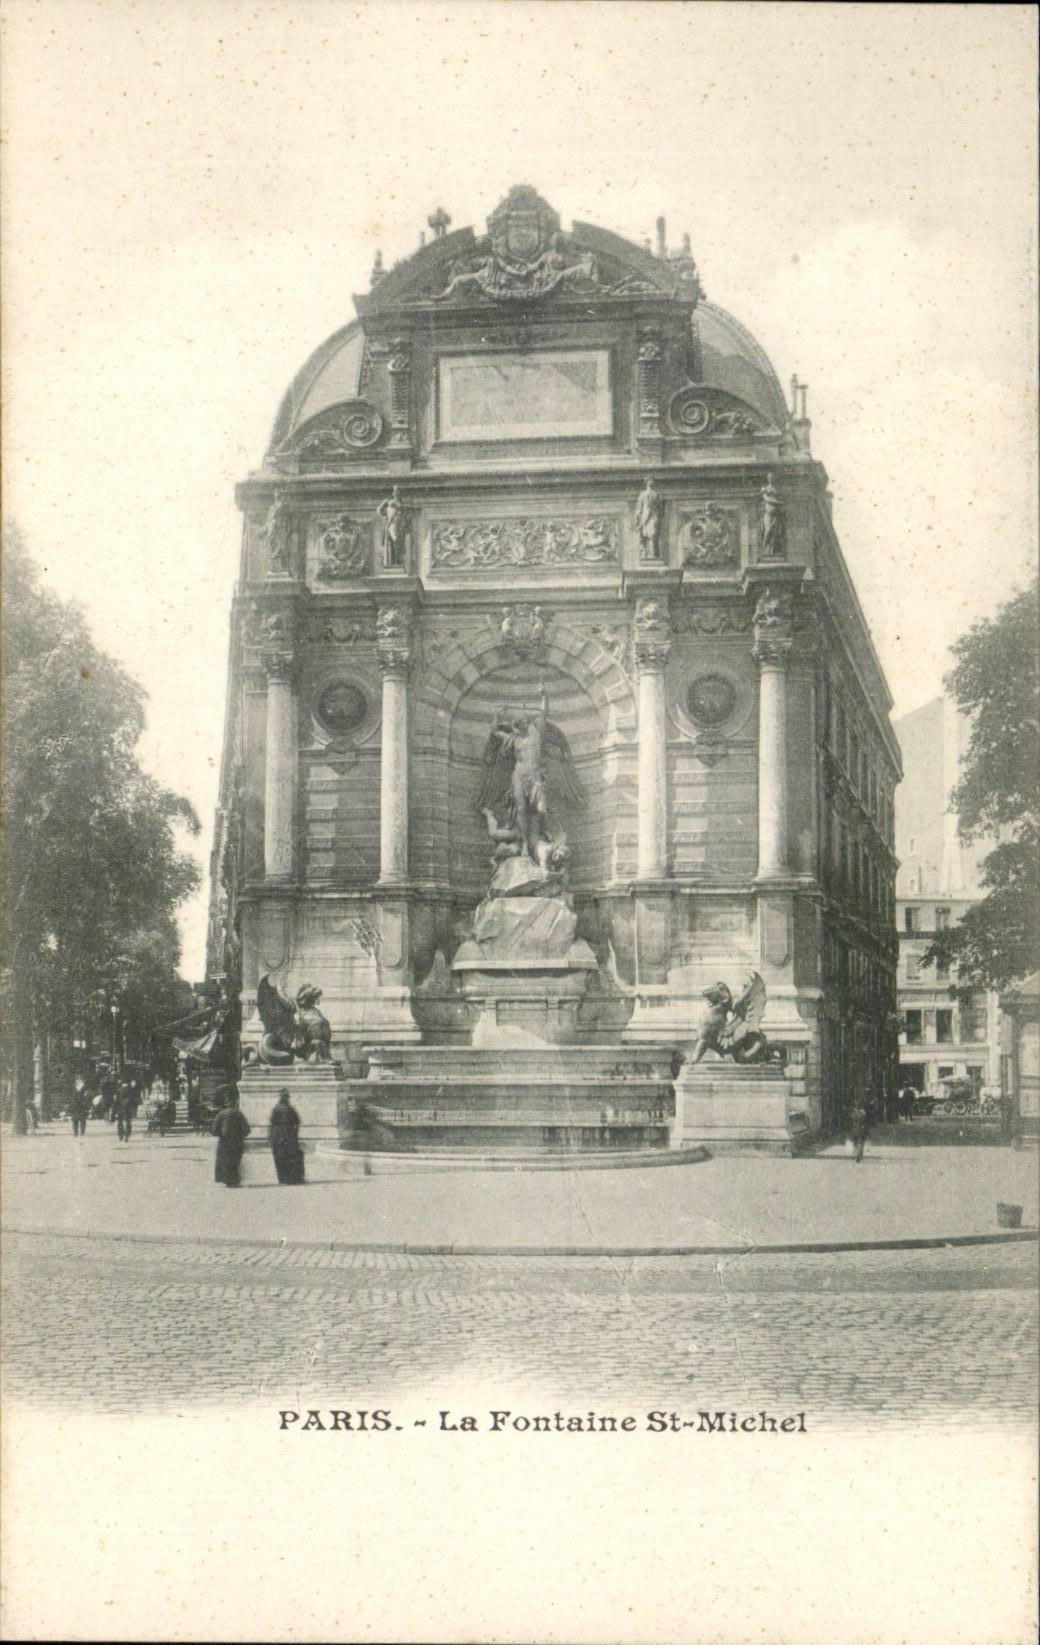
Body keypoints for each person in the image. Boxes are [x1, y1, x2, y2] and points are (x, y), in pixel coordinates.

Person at [212, 1091, 251, 1188]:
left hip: (224, 1142)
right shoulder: (239, 1114)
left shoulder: (220, 1114)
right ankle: (234, 1180)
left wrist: (221, 1134)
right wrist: (240, 1136)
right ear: (234, 1103)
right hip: (236, 1142)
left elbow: (214, 1130)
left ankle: (227, 1179)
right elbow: (247, 1130)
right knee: (235, 1161)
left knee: (225, 1161)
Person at [268, 1087, 305, 1185]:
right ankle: (291, 1178)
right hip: (288, 1136)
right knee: (290, 1157)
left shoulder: (278, 1109)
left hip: (281, 1136)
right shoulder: (289, 1109)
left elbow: (272, 1123)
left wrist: (272, 1137)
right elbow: (297, 1122)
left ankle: (284, 1178)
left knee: (282, 1157)